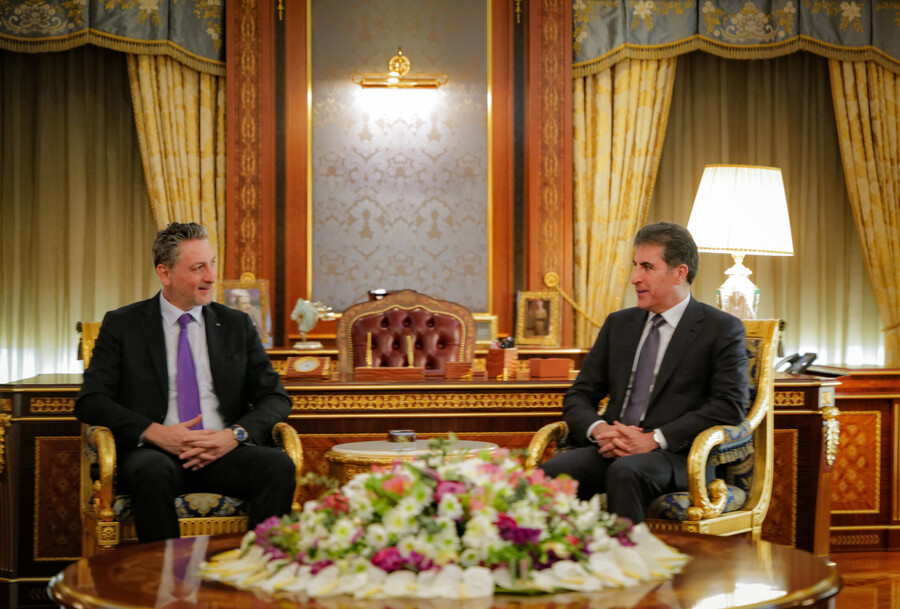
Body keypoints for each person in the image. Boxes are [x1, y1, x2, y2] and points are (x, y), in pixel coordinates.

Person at [76, 222, 295, 543]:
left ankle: (259, 566)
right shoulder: (124, 324)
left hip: (223, 451)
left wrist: (233, 435)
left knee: (277, 466)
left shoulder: (235, 325)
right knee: (152, 471)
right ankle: (168, 572)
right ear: (165, 273)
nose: (211, 276)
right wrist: (156, 433)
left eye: (212, 264)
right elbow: (91, 401)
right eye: (198, 268)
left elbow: (276, 398)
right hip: (155, 454)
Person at [540, 222, 748, 526]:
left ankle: (633, 558)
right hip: (611, 446)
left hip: (678, 456)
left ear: (679, 273)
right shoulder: (619, 324)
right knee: (548, 475)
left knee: (625, 473)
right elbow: (579, 395)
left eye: (647, 267)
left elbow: (731, 404)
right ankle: (562, 556)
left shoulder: (721, 328)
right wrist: (600, 429)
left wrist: (655, 439)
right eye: (635, 266)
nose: (634, 278)